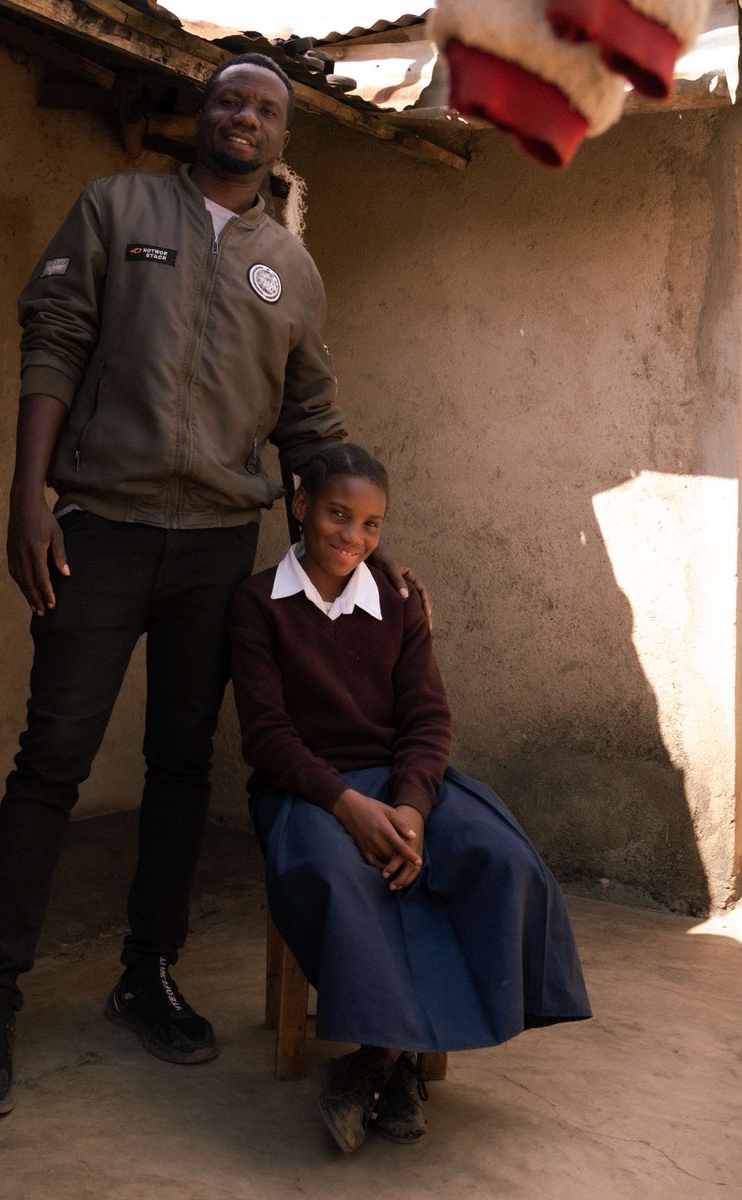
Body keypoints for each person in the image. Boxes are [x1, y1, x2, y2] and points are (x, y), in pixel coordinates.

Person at [0, 54, 422, 1117]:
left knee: (181, 766)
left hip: (214, 549)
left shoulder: (290, 269)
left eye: (267, 109)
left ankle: (145, 971)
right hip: (97, 528)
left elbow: (311, 425)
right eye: (231, 99)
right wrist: (28, 495)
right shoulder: (117, 208)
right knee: (51, 758)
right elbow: (54, 340)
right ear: (200, 116)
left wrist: (361, 548)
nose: (246, 117)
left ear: (282, 139)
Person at [227, 443, 592, 1153]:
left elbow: (428, 720)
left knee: (497, 856)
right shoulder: (256, 604)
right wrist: (348, 807)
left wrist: (413, 809)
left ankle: (377, 1063)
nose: (353, 537)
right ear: (300, 504)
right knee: (337, 876)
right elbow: (267, 736)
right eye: (338, 514)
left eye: (372, 524)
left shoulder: (397, 599)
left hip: (403, 785)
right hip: (305, 789)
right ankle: (391, 1071)